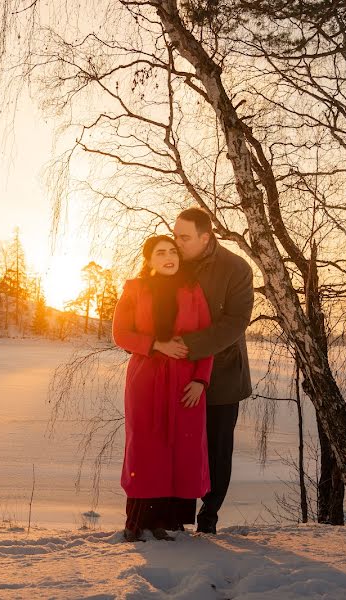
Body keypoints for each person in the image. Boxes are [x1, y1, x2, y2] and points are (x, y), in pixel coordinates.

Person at [112, 235, 215, 542]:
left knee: (179, 450)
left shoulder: (192, 290)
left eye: (173, 251)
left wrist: (200, 380)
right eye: (161, 253)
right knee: (146, 449)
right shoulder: (135, 289)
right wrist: (155, 345)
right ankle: (136, 522)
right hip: (146, 378)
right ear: (149, 259)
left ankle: (164, 523)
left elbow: (207, 340)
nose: (169, 256)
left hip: (185, 383)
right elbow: (120, 334)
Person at [172, 207, 254, 535]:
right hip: (176, 375)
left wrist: (186, 346)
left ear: (205, 238)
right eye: (176, 234)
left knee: (217, 449)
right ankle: (176, 517)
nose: (177, 242)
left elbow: (234, 324)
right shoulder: (172, 264)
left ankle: (209, 516)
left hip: (222, 376)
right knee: (180, 445)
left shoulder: (236, 269)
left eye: (184, 237)